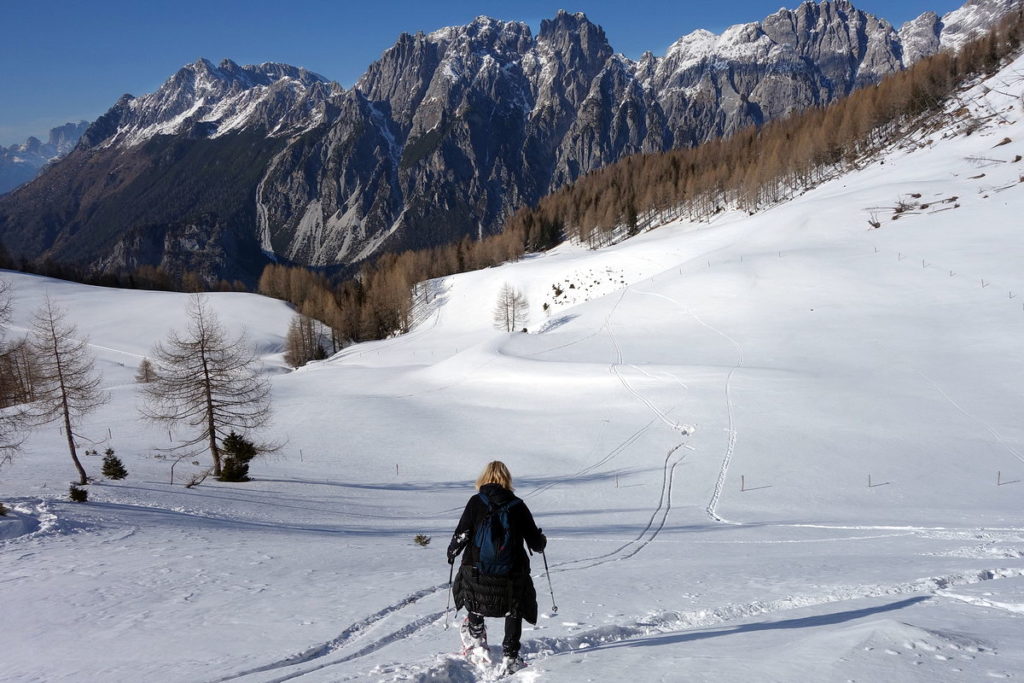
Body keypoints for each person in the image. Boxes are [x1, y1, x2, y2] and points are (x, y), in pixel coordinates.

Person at [447, 461, 547, 676]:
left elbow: (461, 534)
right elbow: (536, 544)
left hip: (477, 571)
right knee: (514, 607)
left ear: (483, 478)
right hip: (510, 573)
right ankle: (510, 656)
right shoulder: (517, 505)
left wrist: (452, 553)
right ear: (507, 479)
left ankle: (476, 639)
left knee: (473, 596)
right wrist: (541, 540)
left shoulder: (476, 502)